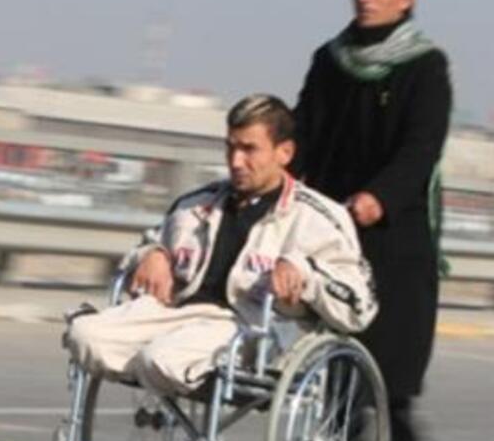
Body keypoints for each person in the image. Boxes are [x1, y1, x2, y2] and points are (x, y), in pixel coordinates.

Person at [290, 0, 452, 441]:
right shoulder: (329, 60)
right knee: (335, 357)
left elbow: (421, 149)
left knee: (386, 370)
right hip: (332, 231)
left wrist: (378, 197)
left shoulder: (425, 67)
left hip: (395, 239)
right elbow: (303, 131)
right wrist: (278, 171)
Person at [66, 94, 375, 396]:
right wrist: (153, 254)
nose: (236, 161)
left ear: (285, 153)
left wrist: (306, 274)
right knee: (85, 334)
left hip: (250, 330)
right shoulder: (195, 205)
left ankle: (162, 367)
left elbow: (360, 306)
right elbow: (145, 247)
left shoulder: (320, 218)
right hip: (177, 314)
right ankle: (157, 369)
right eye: (230, 148)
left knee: (161, 358)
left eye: (249, 149)